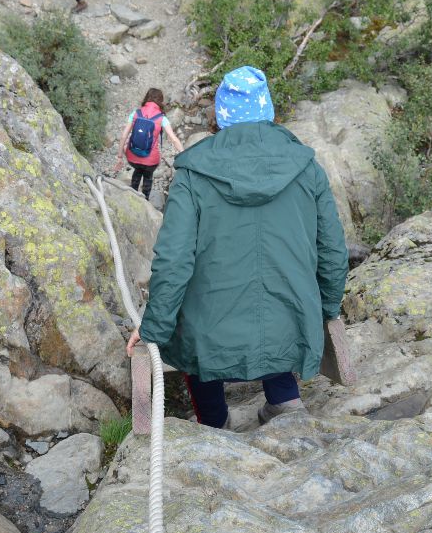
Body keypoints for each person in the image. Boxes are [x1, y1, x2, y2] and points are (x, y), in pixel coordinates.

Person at [125, 66, 349, 429]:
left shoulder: (194, 175)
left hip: (211, 332)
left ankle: (215, 422)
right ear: (268, 110)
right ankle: (285, 403)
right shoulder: (307, 168)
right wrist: (325, 309)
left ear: (221, 115)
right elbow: (333, 252)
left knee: (196, 327)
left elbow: (173, 262)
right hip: (291, 322)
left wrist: (153, 328)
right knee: (280, 308)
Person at [112, 87, 184, 200]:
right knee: (148, 176)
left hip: (132, 157)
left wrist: (120, 157)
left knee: (137, 170)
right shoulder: (162, 118)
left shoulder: (136, 113)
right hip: (150, 161)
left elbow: (123, 136)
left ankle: (133, 194)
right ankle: (145, 199)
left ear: (147, 98)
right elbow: (174, 139)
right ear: (160, 101)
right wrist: (183, 153)